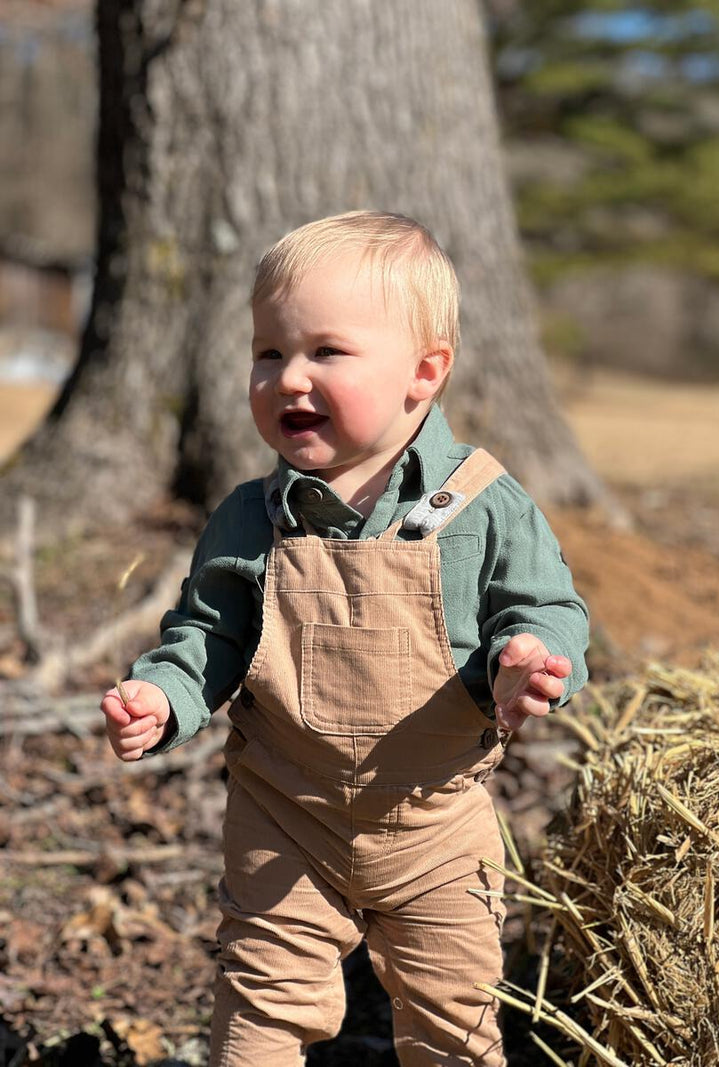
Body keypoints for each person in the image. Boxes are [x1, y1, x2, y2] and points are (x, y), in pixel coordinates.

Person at [101, 210, 589, 1066]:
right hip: (285, 816)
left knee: (457, 1020)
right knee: (258, 1010)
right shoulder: (250, 518)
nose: (288, 378)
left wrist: (530, 660)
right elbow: (208, 634)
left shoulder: (482, 504)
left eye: (326, 352)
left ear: (424, 373)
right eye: (268, 352)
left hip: (434, 824)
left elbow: (549, 611)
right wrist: (164, 696)